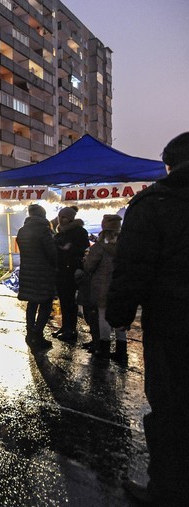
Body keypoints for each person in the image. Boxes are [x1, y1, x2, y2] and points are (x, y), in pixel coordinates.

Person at [106, 132, 189, 505]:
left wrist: (118, 315)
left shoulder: (156, 203)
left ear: (169, 165)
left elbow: (133, 267)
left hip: (174, 324)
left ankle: (168, 491)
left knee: (171, 410)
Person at [83, 214, 126, 360]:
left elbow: (89, 267)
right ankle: (121, 350)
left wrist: (85, 261)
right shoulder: (126, 246)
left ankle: (104, 349)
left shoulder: (99, 248)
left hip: (103, 287)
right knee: (120, 317)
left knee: (104, 318)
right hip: (121, 287)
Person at [16, 204, 57, 350]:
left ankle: (30, 332)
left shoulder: (22, 230)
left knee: (32, 303)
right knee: (46, 303)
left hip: (27, 271)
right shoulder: (44, 231)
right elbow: (52, 253)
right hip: (43, 272)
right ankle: (37, 335)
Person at [53, 206, 89, 341]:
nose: (61, 219)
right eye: (60, 216)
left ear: (70, 218)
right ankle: (65, 326)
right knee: (63, 299)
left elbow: (83, 249)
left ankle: (71, 329)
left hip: (71, 270)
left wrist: (69, 249)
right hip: (60, 270)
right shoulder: (60, 233)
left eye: (64, 217)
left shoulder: (79, 232)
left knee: (69, 300)